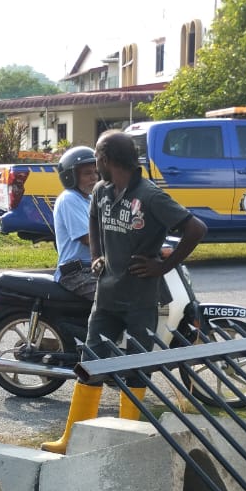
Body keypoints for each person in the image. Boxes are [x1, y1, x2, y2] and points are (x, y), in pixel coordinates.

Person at [41, 130, 207, 453]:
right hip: (106, 298)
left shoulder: (150, 195)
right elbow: (94, 220)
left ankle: (127, 441)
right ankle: (70, 439)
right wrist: (97, 256)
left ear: (105, 160)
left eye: (97, 160)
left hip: (140, 300)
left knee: (136, 367)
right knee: (90, 362)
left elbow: (196, 229)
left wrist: (163, 267)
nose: (94, 168)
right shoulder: (102, 191)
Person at [51, 146, 99, 301]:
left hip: (94, 267)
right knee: (111, 299)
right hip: (76, 273)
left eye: (95, 172)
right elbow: (87, 239)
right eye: (87, 173)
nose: (94, 178)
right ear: (70, 176)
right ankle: (98, 326)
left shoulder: (90, 199)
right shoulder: (69, 199)